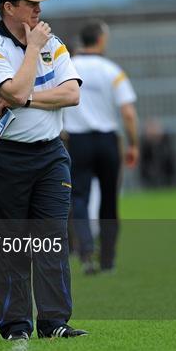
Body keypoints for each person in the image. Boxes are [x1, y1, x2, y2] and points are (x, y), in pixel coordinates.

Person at [0, 0, 87, 341]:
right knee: (12, 245)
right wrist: (33, 50)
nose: (38, 9)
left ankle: (54, 323)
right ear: (9, 8)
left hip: (52, 154)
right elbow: (14, 90)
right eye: (30, 3)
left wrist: (29, 99)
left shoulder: (56, 43)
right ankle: (15, 326)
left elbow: (71, 95)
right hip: (7, 156)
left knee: (52, 240)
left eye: (40, 3)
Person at [63, 20, 139, 274]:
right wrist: (133, 144)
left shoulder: (66, 67)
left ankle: (85, 252)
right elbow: (128, 113)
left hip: (77, 141)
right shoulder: (111, 70)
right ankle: (108, 258)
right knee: (109, 200)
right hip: (106, 140)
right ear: (101, 40)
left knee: (79, 197)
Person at [140, 118, 176, 187]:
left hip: (166, 169)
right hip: (150, 172)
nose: (153, 131)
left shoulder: (166, 141)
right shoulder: (145, 144)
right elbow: (144, 161)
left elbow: (169, 156)